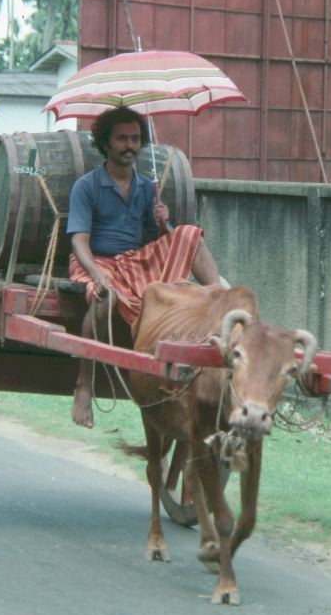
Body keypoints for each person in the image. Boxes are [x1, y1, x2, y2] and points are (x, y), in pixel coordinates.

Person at [66, 106, 222, 427]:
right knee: (103, 297)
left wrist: (164, 222)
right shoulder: (87, 186)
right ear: (105, 143)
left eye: (136, 139)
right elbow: (79, 242)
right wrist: (97, 276)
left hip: (136, 264)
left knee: (188, 234)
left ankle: (221, 302)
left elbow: (154, 237)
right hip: (96, 262)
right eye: (122, 139)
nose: (130, 146)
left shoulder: (146, 187)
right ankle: (84, 385)